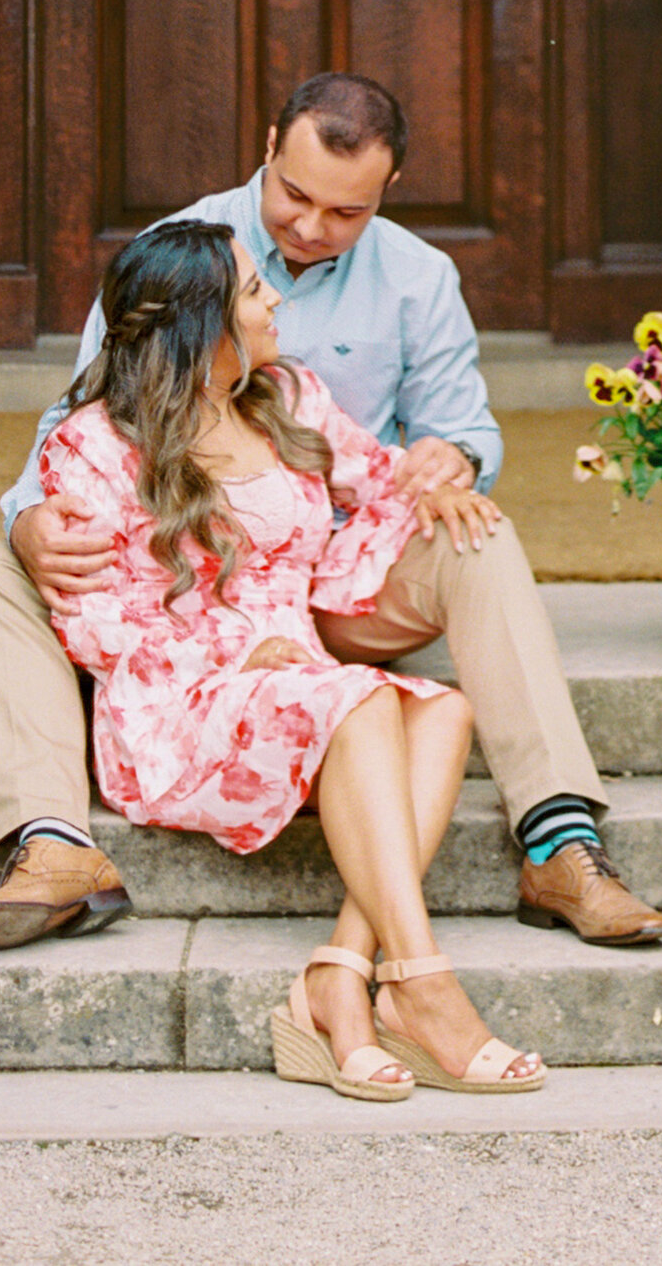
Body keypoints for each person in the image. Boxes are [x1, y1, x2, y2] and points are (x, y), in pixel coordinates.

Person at [0, 70, 662, 951]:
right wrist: (28, 520)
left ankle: (560, 839)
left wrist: (457, 459)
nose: (310, 228)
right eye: (295, 196)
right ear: (267, 147)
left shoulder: (417, 278)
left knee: (477, 533)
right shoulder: (182, 252)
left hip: (318, 571)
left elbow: (455, 433)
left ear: (388, 190)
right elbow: (84, 418)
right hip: (177, 579)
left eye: (346, 214)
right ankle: (52, 844)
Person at [36, 216, 541, 1098]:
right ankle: (424, 983)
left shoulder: (288, 399)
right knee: (362, 701)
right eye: (257, 293)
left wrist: (444, 476)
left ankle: (340, 975)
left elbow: (383, 485)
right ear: (205, 325)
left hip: (296, 678)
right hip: (178, 708)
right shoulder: (94, 445)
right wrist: (239, 654)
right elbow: (97, 622)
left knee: (445, 708)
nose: (277, 303)